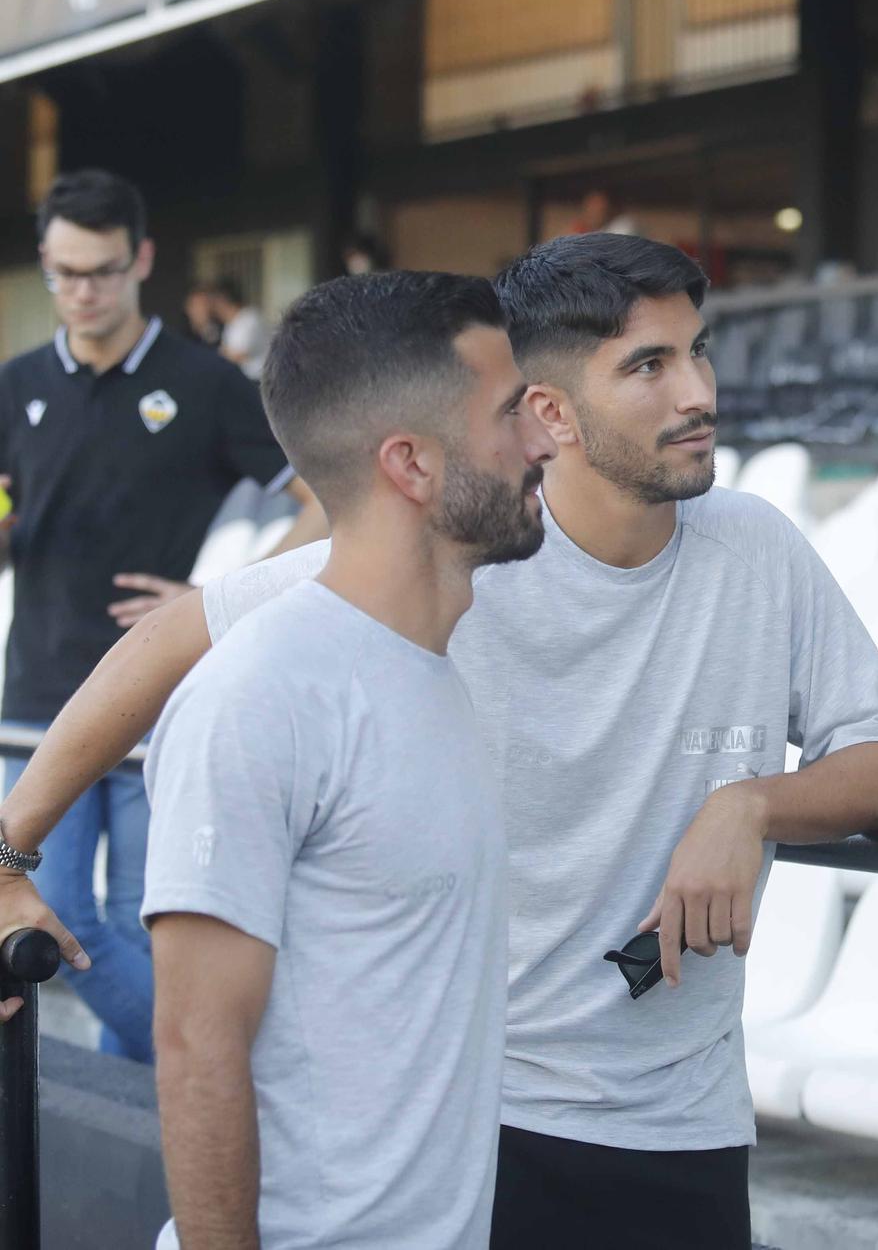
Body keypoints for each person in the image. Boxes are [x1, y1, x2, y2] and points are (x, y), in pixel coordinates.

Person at [0, 233, 878, 1246]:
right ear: (547, 412)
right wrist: (13, 845)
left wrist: (750, 802)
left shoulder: (755, 549)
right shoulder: (459, 548)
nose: (696, 392)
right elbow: (175, 640)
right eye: (648, 366)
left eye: (697, 352)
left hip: (681, 1114)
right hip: (487, 1107)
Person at [145, 270, 553, 1249]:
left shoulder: (432, 672)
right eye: (511, 413)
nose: (544, 440)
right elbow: (197, 1048)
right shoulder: (262, 691)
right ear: (411, 464)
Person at [0, 169, 325, 1064]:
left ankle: (158, 1136)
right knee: (55, 920)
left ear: (140, 259)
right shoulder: (16, 383)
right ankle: (223, 1079)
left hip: (164, 704)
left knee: (143, 932)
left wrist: (220, 599)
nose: (83, 292)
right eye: (65, 273)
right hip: (39, 704)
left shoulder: (202, 382)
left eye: (102, 270)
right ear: (45, 265)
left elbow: (327, 499)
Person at [208, 277, 273, 382]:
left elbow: (239, 354)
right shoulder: (230, 323)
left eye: (215, 303)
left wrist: (222, 354)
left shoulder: (250, 317)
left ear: (223, 301)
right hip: (242, 380)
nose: (214, 309)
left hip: (259, 380)